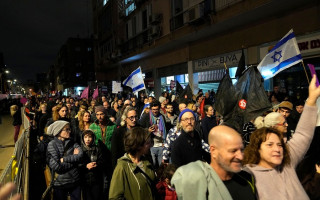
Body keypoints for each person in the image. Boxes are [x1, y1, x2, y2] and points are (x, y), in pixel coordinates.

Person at [242, 75, 320, 200]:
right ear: (257, 148)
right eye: (269, 145)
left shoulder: (287, 161)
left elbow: (303, 134)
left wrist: (311, 99)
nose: (277, 149)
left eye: (279, 145)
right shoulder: (247, 176)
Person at [171, 125, 256, 200]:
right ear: (213, 151)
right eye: (233, 151)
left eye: (241, 150)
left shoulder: (247, 179)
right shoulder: (198, 185)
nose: (240, 156)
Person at [109, 127, 156, 200]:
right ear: (138, 146)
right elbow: (114, 197)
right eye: (147, 143)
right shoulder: (122, 166)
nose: (150, 145)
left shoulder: (146, 161)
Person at [47, 120, 83, 200]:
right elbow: (57, 166)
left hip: (74, 180)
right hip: (60, 183)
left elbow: (80, 155)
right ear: (58, 131)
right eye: (67, 129)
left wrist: (64, 159)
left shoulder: (72, 142)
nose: (69, 131)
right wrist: (74, 161)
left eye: (69, 129)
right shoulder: (52, 144)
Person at [140, 100, 167, 168]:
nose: (155, 111)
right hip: (151, 145)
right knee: (153, 165)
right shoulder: (146, 116)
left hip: (161, 144)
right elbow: (139, 128)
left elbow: (165, 130)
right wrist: (147, 130)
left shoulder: (162, 117)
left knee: (161, 166)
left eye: (157, 109)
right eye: (153, 109)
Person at [80, 129, 104, 200]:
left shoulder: (97, 149)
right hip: (84, 180)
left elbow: (102, 161)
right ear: (82, 138)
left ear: (93, 138)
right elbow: (77, 164)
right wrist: (86, 166)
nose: (87, 139)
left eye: (90, 137)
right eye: (85, 137)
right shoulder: (80, 150)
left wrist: (97, 165)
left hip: (96, 179)